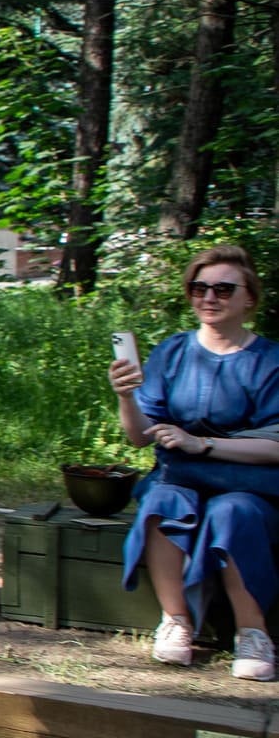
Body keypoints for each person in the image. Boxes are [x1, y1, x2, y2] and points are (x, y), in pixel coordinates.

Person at [111, 243, 279, 682]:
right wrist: (126, 396)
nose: (209, 297)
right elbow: (138, 435)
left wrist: (200, 444)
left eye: (224, 288)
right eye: (198, 287)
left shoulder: (271, 361)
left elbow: (277, 445)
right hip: (179, 476)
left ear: (249, 298)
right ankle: (176, 621)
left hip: (250, 485)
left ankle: (253, 632)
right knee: (164, 500)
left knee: (233, 511)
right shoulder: (172, 352)